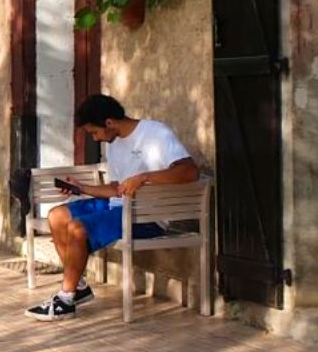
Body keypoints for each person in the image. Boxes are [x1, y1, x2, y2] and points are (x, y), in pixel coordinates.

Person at [26, 94, 199, 321]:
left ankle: (65, 300)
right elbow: (116, 189)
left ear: (109, 122)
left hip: (146, 217)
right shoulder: (114, 145)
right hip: (118, 207)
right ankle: (79, 287)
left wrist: (144, 177)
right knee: (57, 215)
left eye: (94, 132)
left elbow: (190, 172)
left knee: (77, 228)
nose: (95, 138)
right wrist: (81, 188)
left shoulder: (156, 133)